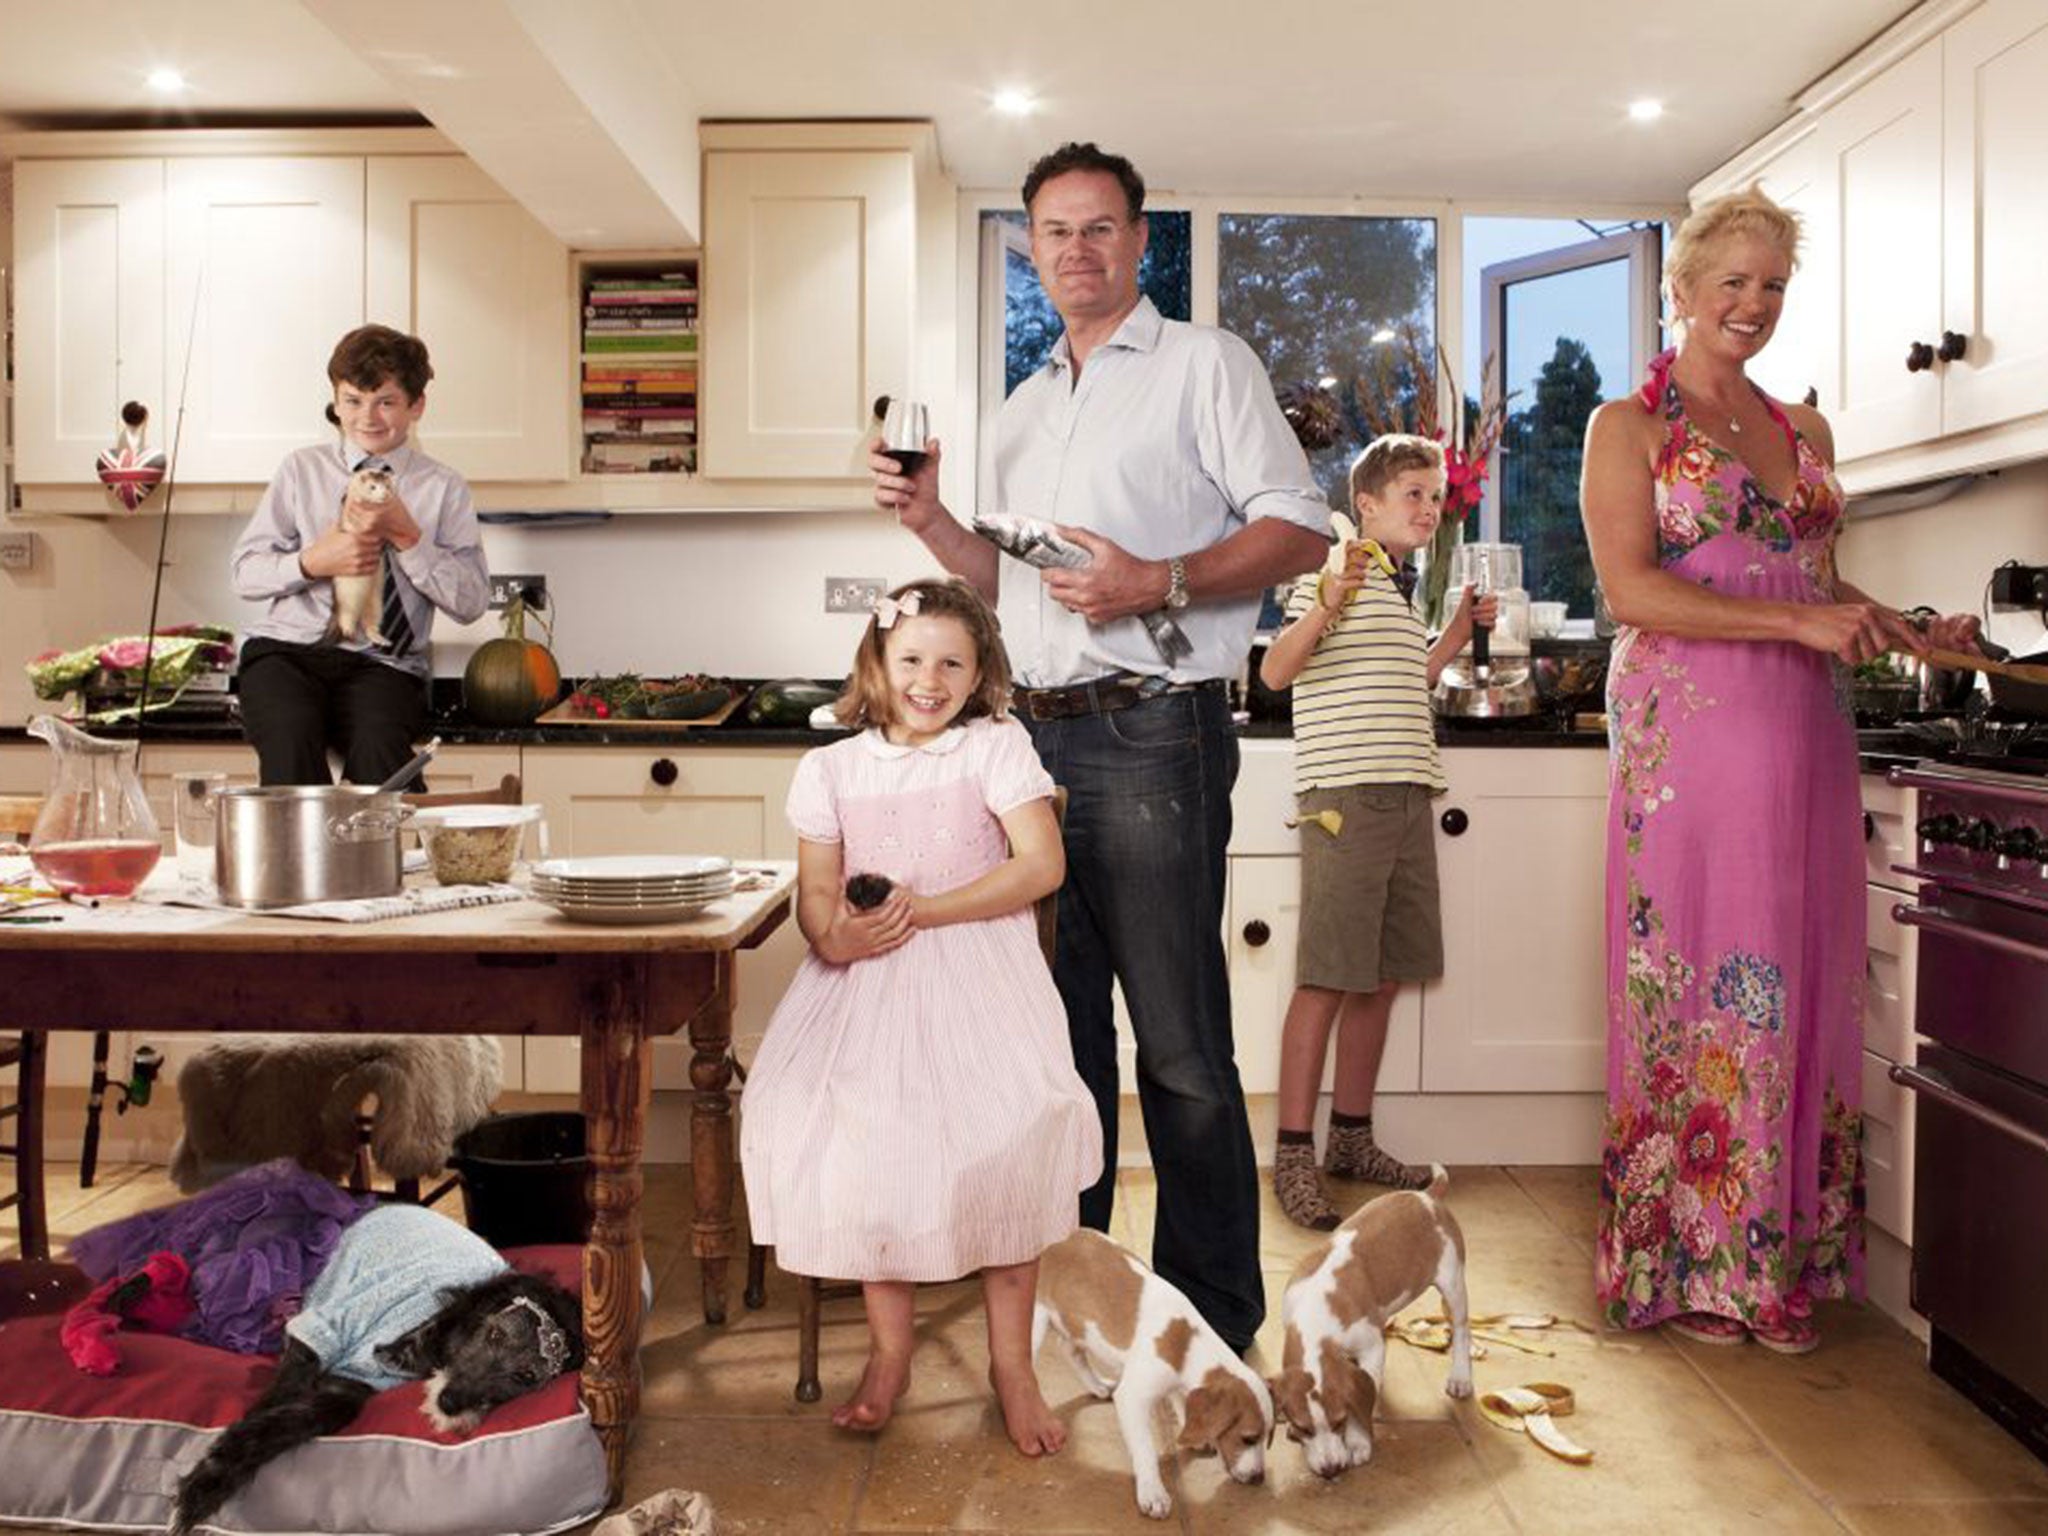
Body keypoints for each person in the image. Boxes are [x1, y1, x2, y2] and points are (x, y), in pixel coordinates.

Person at [870, 142, 1330, 1354]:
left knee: (1176, 1044)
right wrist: (932, 523)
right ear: (1029, 251)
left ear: (1138, 241)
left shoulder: (1201, 366)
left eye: (1098, 228)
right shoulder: (1024, 407)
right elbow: (1009, 589)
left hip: (1151, 729)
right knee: (1057, 1041)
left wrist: (1157, 579)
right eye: (1051, 232)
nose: (1074, 249)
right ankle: (1083, 1302)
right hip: (1031, 749)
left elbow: (1297, 527)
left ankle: (1212, 1317)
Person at [1579, 188, 1981, 1354]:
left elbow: (1812, 582)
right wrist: (1800, 628)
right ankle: (1698, 1261)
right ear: (1683, 290)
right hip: (1691, 732)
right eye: (1732, 283)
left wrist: (1903, 625)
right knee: (1711, 961)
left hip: (1802, 724)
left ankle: (1778, 1251)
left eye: (1771, 287)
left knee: (1799, 963)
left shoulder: (1805, 430)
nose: (1751, 305)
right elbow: (1631, 591)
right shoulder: (1628, 426)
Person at [739, 577, 1101, 1453]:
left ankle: (1010, 1366)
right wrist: (841, 938)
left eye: (952, 663)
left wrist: (924, 911)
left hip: (980, 971)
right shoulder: (830, 767)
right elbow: (817, 899)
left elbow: (1040, 866)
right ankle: (890, 1356)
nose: (928, 679)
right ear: (877, 662)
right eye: (911, 660)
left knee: (1010, 1133)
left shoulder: (995, 747)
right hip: (866, 984)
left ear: (980, 676)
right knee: (869, 1147)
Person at [1257, 435, 1495, 1230]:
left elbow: (1407, 679)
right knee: (1328, 976)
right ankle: (1294, 1150)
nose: (1430, 510)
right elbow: (1276, 673)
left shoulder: (1393, 587)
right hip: (1346, 799)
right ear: (1367, 504)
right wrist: (1328, 596)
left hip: (1404, 795)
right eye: (1414, 495)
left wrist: (1455, 631)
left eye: (1435, 497)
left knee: (1384, 975)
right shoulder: (1330, 571)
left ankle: (1351, 1140)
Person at [230, 325, 489, 788]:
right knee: (289, 733)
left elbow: (471, 603)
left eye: (385, 401)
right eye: (352, 400)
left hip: (382, 662)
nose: (367, 417)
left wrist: (410, 537)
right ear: (335, 401)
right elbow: (245, 574)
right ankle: (300, 858)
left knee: (382, 748)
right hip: (287, 653)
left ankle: (377, 857)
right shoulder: (300, 470)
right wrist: (313, 561)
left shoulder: (444, 488)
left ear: (416, 406)